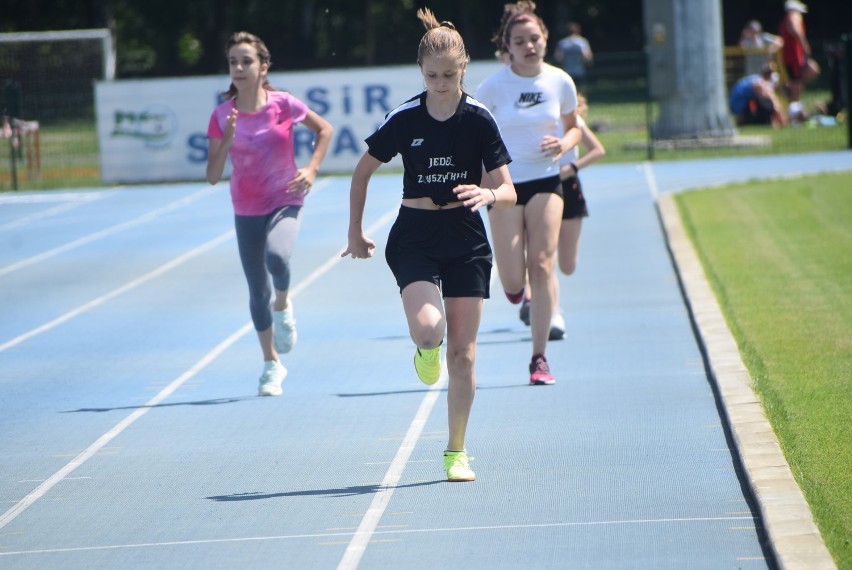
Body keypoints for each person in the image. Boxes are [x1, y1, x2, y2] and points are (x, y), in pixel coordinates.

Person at [342, 8, 516, 482]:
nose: (440, 82)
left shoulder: (479, 119)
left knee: (465, 354)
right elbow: (362, 172)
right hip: (415, 236)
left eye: (449, 74)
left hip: (466, 238)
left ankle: (455, 450)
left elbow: (509, 189)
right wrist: (355, 232)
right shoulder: (405, 118)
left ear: (464, 68)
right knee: (428, 331)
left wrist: (488, 193)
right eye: (431, 75)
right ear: (421, 72)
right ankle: (425, 349)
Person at [206, 31, 333, 397]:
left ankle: (284, 303)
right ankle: (271, 363)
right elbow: (213, 176)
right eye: (233, 62)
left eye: (247, 61)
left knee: (277, 257)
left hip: (285, 197)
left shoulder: (283, 105)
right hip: (245, 207)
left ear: (263, 66)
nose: (239, 68)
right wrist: (226, 141)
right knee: (255, 291)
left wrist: (310, 170)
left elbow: (324, 130)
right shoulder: (221, 116)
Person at [476, 1, 581, 386]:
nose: (529, 46)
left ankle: (539, 358)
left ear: (545, 39)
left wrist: (563, 143)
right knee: (512, 281)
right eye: (520, 41)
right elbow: (471, 127)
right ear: (509, 46)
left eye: (534, 38)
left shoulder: (559, 81)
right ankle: (516, 292)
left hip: (546, 180)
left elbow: (574, 128)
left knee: (541, 264)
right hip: (503, 187)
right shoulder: (494, 86)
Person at [519, 94, 606, 337]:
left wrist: (572, 169)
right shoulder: (532, 120)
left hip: (569, 189)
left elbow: (598, 150)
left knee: (567, 265)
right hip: (541, 188)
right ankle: (552, 311)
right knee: (544, 258)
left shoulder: (573, 120)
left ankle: (541, 296)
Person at [778, 0, 819, 120]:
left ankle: (793, 101)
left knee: (809, 72)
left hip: (794, 57)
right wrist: (804, 44)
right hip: (793, 57)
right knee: (796, 83)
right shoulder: (793, 16)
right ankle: (794, 112)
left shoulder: (785, 20)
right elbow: (795, 30)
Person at [729, 63, 786, 128]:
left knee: (760, 102)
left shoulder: (755, 78)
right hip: (739, 104)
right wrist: (782, 122)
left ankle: (743, 121)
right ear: (769, 75)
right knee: (768, 104)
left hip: (733, 103)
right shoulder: (760, 83)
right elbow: (773, 102)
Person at [552, 21, 593, 93]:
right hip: (579, 71)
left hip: (567, 71)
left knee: (567, 92)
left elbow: (558, 58)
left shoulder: (562, 43)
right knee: (581, 92)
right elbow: (587, 56)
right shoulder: (582, 42)